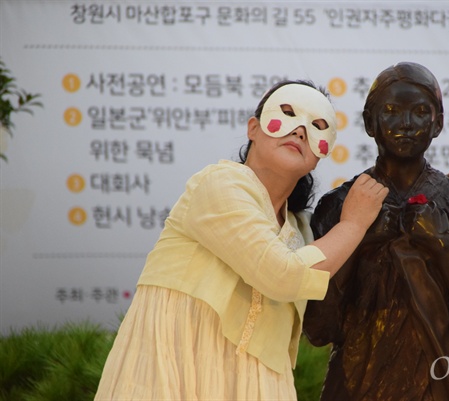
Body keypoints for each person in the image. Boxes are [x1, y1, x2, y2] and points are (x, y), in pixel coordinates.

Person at [94, 79, 389, 400]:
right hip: (176, 375)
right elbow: (283, 274)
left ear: (322, 153)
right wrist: (353, 224)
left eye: (317, 125)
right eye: (288, 113)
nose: (301, 130)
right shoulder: (218, 184)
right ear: (253, 128)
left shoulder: (301, 229)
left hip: (258, 386)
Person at [303, 62, 449, 401]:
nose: (405, 124)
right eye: (390, 111)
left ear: (438, 123)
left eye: (419, 112)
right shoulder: (339, 207)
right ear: (370, 122)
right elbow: (317, 328)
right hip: (355, 388)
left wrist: (443, 248)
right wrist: (354, 238)